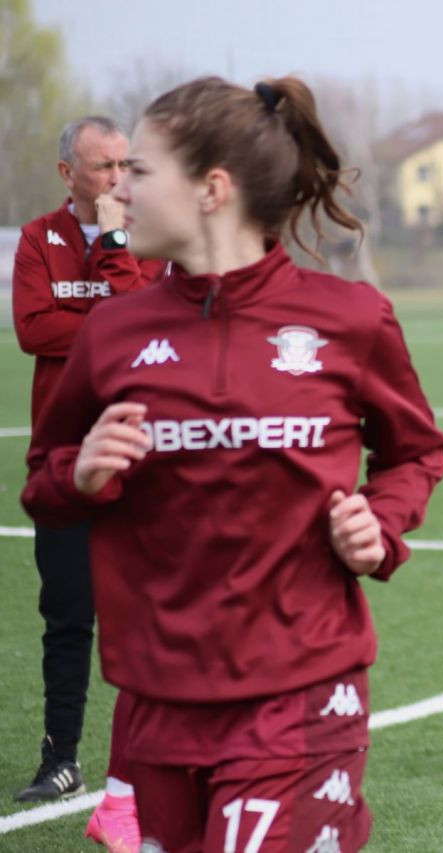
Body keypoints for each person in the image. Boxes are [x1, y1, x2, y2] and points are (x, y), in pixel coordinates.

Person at [21, 76, 443, 853]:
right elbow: (42, 482)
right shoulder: (112, 331)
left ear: (212, 189)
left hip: (300, 691)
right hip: (155, 700)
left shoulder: (349, 317)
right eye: (115, 173)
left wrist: (378, 526)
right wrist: (82, 474)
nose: (120, 191)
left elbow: (416, 451)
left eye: (140, 172)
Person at [11, 114, 167, 847]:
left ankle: (151, 768)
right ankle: (62, 758)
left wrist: (112, 247)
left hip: (139, 466)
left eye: (123, 166)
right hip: (64, 461)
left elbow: (139, 321)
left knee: (151, 621)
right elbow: (32, 329)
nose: (116, 180)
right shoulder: (38, 239)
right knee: (66, 619)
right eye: (102, 167)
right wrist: (106, 313)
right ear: (67, 171)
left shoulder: (142, 238)